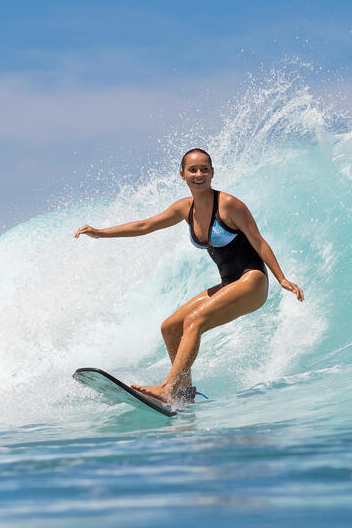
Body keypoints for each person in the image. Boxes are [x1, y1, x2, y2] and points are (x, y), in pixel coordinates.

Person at [74, 148, 304, 405]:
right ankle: (184, 393)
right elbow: (144, 226)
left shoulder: (229, 205)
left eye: (205, 169)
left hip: (252, 280)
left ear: (212, 172)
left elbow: (258, 242)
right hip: (229, 283)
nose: (199, 174)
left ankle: (168, 387)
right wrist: (100, 233)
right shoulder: (185, 208)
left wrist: (281, 278)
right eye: (193, 169)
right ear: (182, 174)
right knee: (170, 327)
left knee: (194, 321)